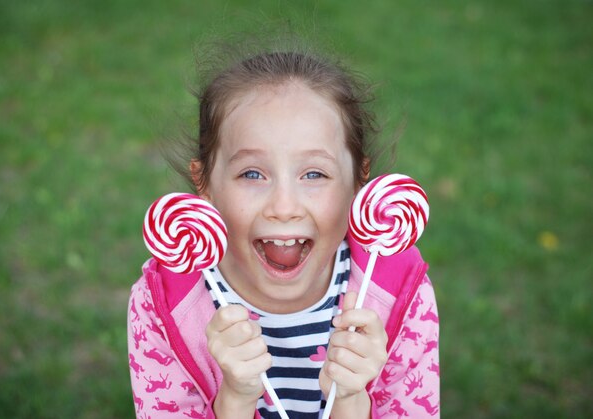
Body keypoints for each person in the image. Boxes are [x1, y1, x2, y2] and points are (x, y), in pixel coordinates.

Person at [127, 40, 440, 418]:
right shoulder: (164, 304)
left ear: (359, 182)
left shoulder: (398, 293)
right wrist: (236, 399)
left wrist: (351, 400)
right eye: (252, 174)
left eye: (314, 173)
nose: (284, 207)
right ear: (205, 184)